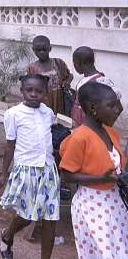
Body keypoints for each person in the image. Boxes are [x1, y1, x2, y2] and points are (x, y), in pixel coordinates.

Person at [59, 82, 127, 259]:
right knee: (107, 254)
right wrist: (100, 178)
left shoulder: (111, 133)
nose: (117, 110)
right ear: (92, 108)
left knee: (119, 250)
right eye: (111, 105)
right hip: (92, 205)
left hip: (114, 203)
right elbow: (66, 174)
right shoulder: (80, 138)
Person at [0, 74, 59, 259]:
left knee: (50, 218)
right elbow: (10, 145)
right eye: (29, 90)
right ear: (22, 91)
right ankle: (8, 234)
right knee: (27, 217)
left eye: (39, 91)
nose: (34, 94)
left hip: (48, 170)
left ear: (45, 94)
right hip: (26, 170)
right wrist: (3, 173)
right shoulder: (13, 114)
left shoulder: (47, 113)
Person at [70, 46, 120, 126]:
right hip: (80, 126)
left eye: (74, 63)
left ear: (79, 63)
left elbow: (119, 107)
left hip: (91, 128)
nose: (74, 66)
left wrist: (106, 125)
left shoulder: (101, 81)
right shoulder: (84, 80)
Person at [26, 35, 73, 115]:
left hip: (59, 101)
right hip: (42, 103)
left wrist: (67, 83)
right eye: (38, 50)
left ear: (50, 49)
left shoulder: (58, 63)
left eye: (44, 49)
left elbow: (69, 76)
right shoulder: (31, 68)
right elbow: (28, 88)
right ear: (33, 50)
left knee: (59, 123)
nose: (41, 52)